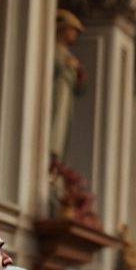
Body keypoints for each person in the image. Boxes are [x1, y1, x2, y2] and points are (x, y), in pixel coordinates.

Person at [50, 9, 87, 160]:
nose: (74, 35)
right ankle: (51, 155)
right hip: (56, 94)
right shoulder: (53, 50)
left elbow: (80, 88)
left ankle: (55, 159)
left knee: (61, 128)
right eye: (73, 30)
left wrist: (79, 75)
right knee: (54, 126)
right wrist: (66, 65)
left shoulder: (68, 55)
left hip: (65, 97)